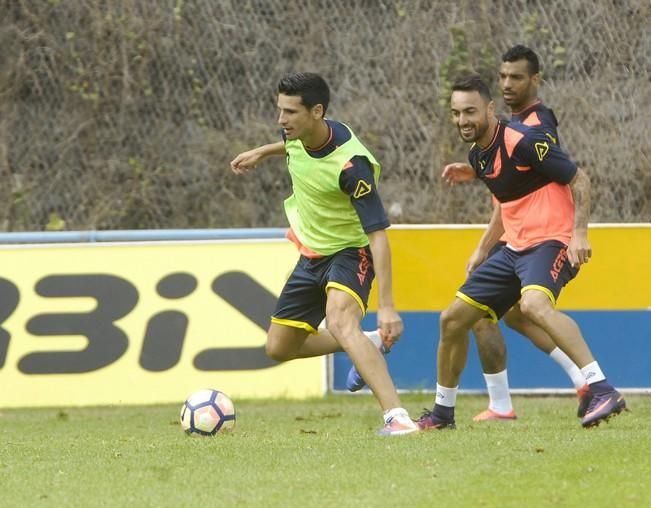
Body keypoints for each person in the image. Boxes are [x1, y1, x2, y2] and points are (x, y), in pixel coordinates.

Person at [417, 74, 626, 430]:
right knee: (452, 319)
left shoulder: (524, 140)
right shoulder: (478, 156)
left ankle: (602, 388)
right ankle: (442, 414)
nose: (463, 120)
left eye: (470, 111)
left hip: (552, 240)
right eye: (456, 114)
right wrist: (482, 250)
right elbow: (507, 204)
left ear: (490, 108)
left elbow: (579, 179)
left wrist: (579, 234)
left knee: (532, 306)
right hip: (514, 248)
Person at [230, 72, 418, 436]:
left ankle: (397, 417)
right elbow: (295, 148)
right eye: (279, 110)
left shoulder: (352, 166)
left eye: (290, 112)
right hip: (311, 252)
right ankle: (368, 343)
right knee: (279, 347)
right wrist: (263, 152)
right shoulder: (299, 136)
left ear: (317, 111)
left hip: (351, 252)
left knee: (339, 322)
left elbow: (378, 236)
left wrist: (388, 306)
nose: (281, 120)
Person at [441, 45, 591, 422]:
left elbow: (549, 177)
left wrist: (577, 232)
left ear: (535, 80)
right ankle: (502, 404)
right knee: (494, 314)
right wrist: (478, 169)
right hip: (518, 234)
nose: (507, 83)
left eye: (517, 77)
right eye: (503, 76)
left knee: (525, 309)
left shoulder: (537, 124)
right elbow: (512, 188)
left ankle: (583, 378)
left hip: (540, 236)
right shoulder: (497, 130)